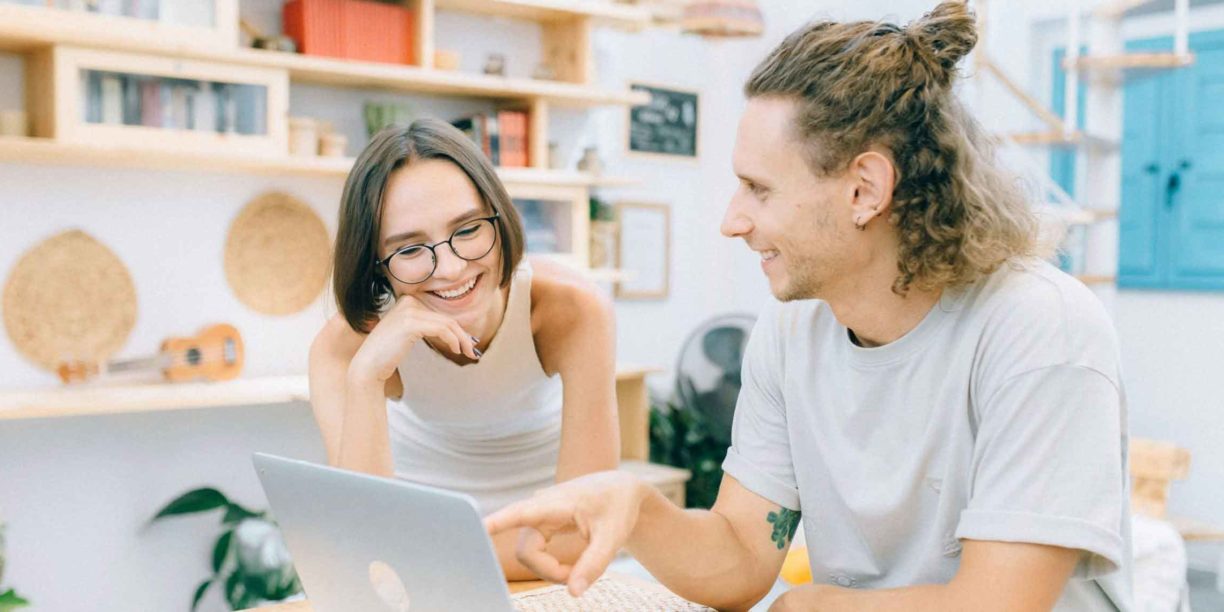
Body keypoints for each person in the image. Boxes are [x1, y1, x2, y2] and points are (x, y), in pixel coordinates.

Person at [485, 3, 1133, 610]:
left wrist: (814, 605)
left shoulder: (1041, 327)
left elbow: (998, 603)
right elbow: (742, 555)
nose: (732, 222)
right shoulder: (793, 328)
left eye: (758, 189)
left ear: (864, 189)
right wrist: (636, 506)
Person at [308, 119, 619, 580]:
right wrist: (367, 376)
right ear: (376, 266)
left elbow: (580, 531)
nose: (451, 268)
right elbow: (365, 539)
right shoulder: (343, 349)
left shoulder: (572, 311)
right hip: (425, 548)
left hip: (527, 542)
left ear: (500, 215)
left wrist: (410, 558)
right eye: (410, 249)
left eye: (469, 229)